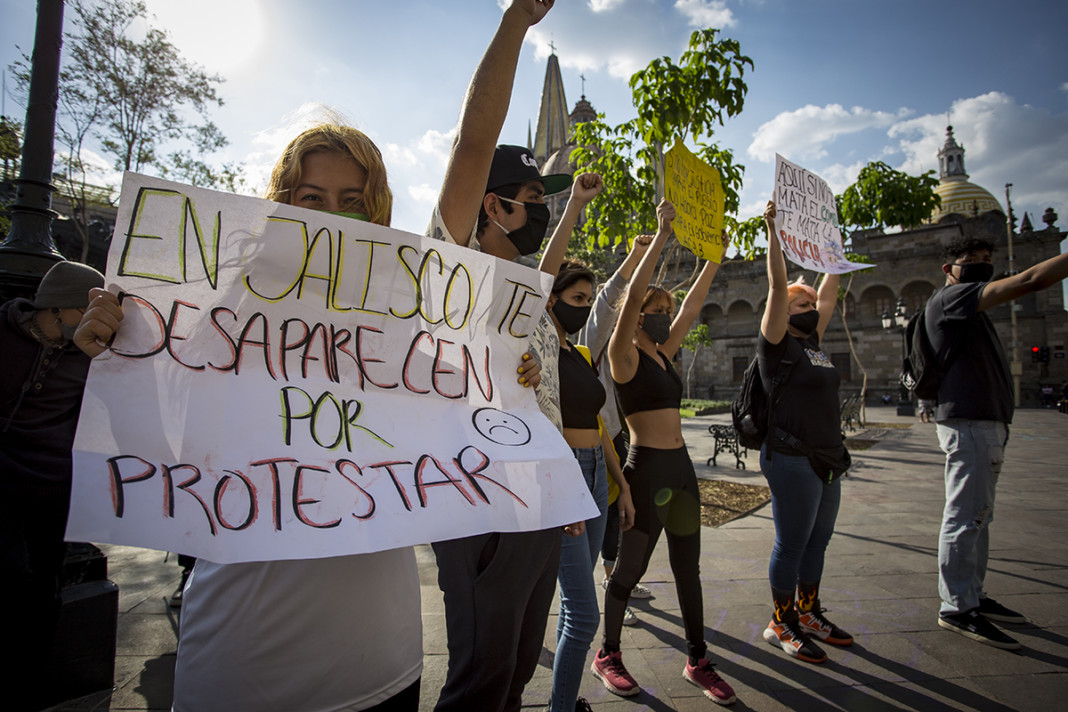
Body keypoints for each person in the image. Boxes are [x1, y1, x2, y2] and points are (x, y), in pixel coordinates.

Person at [591, 199, 736, 705]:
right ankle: (608, 653)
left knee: (687, 569)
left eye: (665, 313)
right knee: (627, 573)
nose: (663, 317)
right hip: (647, 469)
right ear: (637, 316)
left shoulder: (664, 353)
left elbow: (693, 307)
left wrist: (714, 256)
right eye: (656, 311)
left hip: (683, 470)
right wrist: (661, 233)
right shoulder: (622, 354)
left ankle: (698, 659)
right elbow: (631, 298)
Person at [929, 234, 1068, 649]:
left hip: (984, 423)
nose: (981, 264)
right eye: (971, 259)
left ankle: (973, 595)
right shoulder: (952, 299)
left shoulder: (970, 307)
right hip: (969, 423)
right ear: (949, 269)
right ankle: (956, 606)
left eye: (987, 259)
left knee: (978, 516)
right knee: (964, 515)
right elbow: (1029, 282)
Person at [532, 173, 636, 712]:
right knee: (586, 611)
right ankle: (560, 708)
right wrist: (574, 202)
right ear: (550, 302)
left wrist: (622, 485)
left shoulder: (580, 354)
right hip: (564, 471)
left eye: (588, 299)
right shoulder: (540, 339)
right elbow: (544, 273)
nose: (584, 305)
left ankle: (565, 701)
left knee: (578, 606)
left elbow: (600, 427)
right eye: (576, 298)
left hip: (597, 471)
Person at [1, 260, 104, 711]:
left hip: (53, 491)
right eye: (89, 310)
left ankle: (27, 682)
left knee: (45, 586)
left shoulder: (93, 356)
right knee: (12, 576)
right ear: (58, 309)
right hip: (3, 488)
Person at [756, 200, 851, 665]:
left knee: (819, 540)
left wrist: (833, 248)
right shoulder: (777, 345)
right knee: (791, 542)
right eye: (802, 303)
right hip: (790, 458)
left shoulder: (814, 343)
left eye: (811, 304)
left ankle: (809, 611)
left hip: (828, 457)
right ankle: (781, 620)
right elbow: (777, 285)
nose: (811, 308)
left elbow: (831, 293)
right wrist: (774, 230)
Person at [576, 234, 656, 626]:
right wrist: (634, 260)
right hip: (590, 442)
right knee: (596, 521)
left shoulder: (621, 349)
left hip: (616, 436)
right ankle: (597, 591)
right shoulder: (588, 342)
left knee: (618, 515)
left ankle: (615, 580)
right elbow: (606, 306)